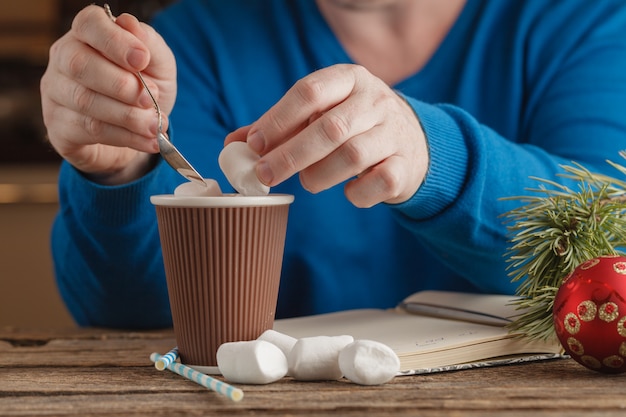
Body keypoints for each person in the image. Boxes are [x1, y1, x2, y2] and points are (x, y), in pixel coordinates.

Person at [40, 0, 626, 329]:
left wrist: (434, 158)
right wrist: (117, 177)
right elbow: (125, 313)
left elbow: (606, 248)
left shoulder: (584, 22)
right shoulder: (190, 45)